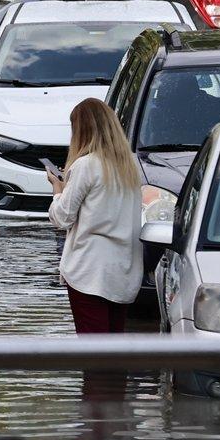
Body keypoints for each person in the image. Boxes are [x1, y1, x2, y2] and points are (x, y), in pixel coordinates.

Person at [46, 98, 142, 334]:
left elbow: (62, 218)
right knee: (113, 347)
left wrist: (57, 190)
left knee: (94, 354)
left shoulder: (86, 165)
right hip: (123, 270)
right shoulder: (130, 166)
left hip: (89, 272)